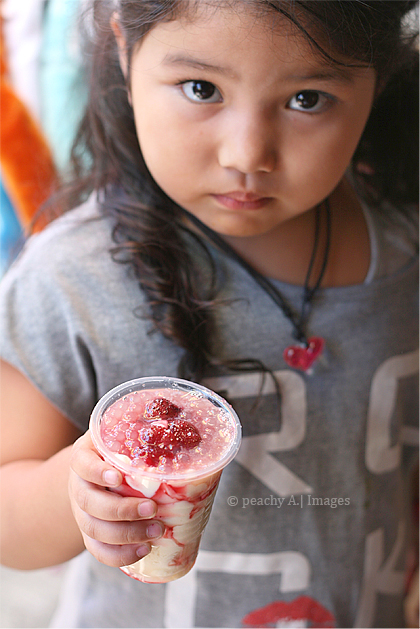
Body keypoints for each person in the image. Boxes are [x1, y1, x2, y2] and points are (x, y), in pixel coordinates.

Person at [0, 1, 418, 627]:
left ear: (378, 79)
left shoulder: (404, 252)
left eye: (307, 99)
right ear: (125, 53)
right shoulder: (72, 280)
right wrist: (80, 493)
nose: (248, 153)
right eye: (202, 89)